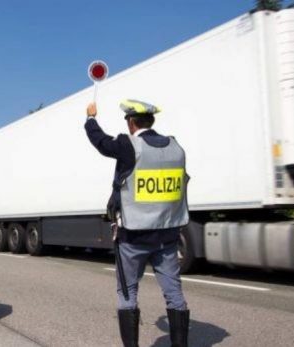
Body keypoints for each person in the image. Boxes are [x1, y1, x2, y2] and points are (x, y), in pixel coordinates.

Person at [84, 100, 190, 347]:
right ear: (151, 121)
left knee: (127, 294)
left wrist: (90, 119)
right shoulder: (176, 147)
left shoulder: (128, 145)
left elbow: (100, 141)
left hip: (133, 237)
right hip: (167, 235)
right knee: (174, 294)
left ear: (131, 122)